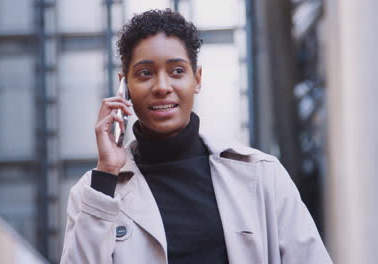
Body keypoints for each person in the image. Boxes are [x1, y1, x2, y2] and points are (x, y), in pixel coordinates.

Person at [60, 9, 332, 264]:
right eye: (145, 74)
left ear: (197, 79)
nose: (162, 87)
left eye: (177, 71)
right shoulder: (94, 193)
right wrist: (107, 173)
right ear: (125, 86)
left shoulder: (261, 175)